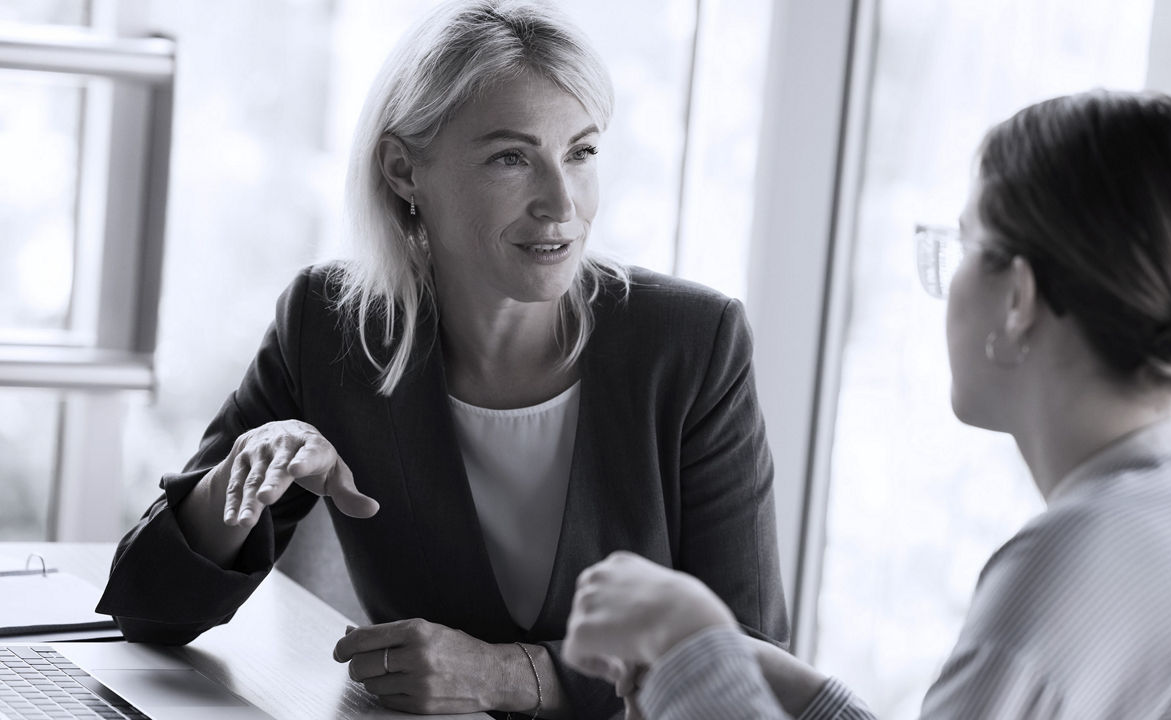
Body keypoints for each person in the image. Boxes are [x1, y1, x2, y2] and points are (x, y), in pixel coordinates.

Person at [95, 1, 789, 717]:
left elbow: (753, 663)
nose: (561, 203)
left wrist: (508, 676)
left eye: (580, 152)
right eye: (511, 158)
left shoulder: (692, 343)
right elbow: (147, 609)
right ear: (403, 170)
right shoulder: (333, 328)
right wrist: (240, 477)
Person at [562, 90, 1171, 719]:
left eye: (965, 243)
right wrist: (782, 682)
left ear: (1020, 297)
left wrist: (692, 649)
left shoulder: (1071, 563)